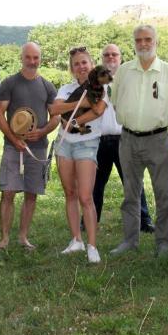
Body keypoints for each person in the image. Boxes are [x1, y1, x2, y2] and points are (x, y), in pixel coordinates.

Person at [109, 25, 168, 257]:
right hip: (128, 139)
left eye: (148, 39)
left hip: (158, 140)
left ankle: (164, 242)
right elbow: (115, 101)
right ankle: (130, 241)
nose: (143, 43)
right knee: (130, 194)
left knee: (164, 195)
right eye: (139, 39)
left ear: (156, 42)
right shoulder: (123, 71)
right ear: (134, 42)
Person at [0, 42, 59, 250]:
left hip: (37, 148)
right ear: (21, 58)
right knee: (8, 192)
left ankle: (23, 238)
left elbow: (56, 117)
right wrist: (14, 139)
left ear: (40, 59)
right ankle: (4, 239)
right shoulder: (10, 83)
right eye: (28, 57)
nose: (32, 61)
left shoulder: (48, 86)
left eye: (36, 58)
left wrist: (42, 131)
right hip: (13, 148)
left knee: (31, 194)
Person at [48, 47, 106, 263]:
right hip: (65, 145)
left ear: (91, 65)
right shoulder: (66, 88)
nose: (81, 67)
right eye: (76, 64)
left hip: (87, 144)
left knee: (85, 196)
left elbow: (98, 110)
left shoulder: (101, 87)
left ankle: (92, 245)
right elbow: (54, 110)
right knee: (69, 193)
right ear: (72, 69)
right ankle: (76, 240)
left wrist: (73, 119)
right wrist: (79, 103)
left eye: (84, 63)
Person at [89, 44, 154, 233]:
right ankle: (91, 220)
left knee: (133, 182)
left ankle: (144, 220)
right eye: (106, 54)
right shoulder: (94, 81)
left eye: (114, 54)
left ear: (121, 58)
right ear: (101, 58)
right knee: (95, 183)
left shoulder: (129, 79)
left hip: (124, 138)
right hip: (99, 140)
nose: (110, 57)